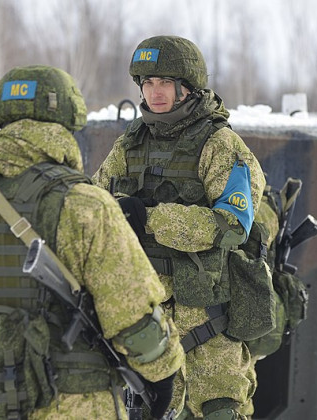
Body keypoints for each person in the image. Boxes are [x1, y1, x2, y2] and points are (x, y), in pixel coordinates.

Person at [0, 65, 184, 420]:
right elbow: (136, 319)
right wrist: (163, 379)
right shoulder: (86, 207)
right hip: (72, 405)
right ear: (68, 118)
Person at [92, 36, 270, 420]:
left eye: (165, 83)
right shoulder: (130, 145)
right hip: (145, 318)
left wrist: (149, 218)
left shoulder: (220, 144)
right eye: (148, 83)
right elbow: (94, 205)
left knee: (220, 411)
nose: (155, 93)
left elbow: (233, 225)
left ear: (187, 87)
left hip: (207, 321)